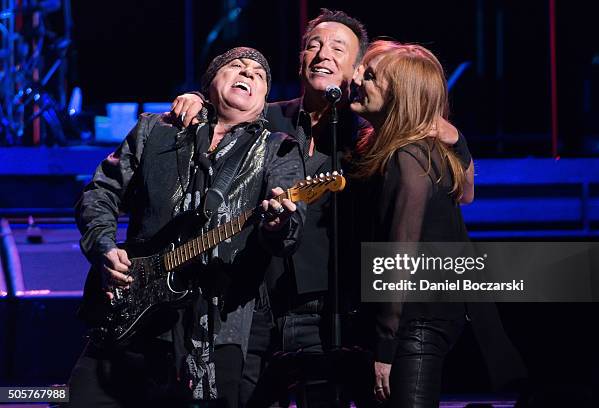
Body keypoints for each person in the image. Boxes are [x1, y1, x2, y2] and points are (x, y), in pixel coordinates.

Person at [170, 10, 467, 407]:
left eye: (337, 48)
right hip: (261, 310)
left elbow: (458, 189)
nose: (322, 54)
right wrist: (196, 100)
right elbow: (221, 112)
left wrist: (453, 134)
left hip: (336, 315)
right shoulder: (265, 118)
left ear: (358, 69)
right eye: (313, 44)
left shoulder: (372, 135)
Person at [66, 47, 305, 408]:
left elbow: (290, 232)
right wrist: (104, 246)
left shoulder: (277, 149)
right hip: (130, 309)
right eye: (236, 66)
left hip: (216, 326)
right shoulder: (154, 129)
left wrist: (277, 223)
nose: (248, 73)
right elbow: (100, 192)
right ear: (209, 83)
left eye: (259, 74)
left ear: (263, 102)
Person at [349, 40, 474, 407]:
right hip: (410, 319)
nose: (359, 80)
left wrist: (385, 347)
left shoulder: (409, 158)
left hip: (413, 321)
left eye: (371, 77)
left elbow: (398, 256)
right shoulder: (399, 149)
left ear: (398, 97)